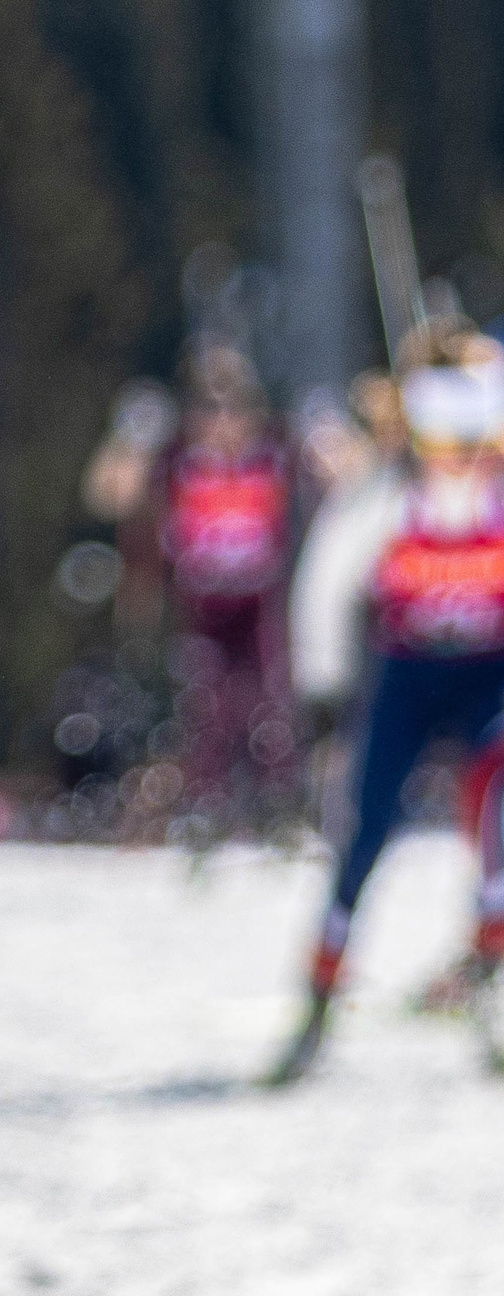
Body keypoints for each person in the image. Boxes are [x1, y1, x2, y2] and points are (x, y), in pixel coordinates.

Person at [275, 322, 504, 1078]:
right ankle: (321, 993)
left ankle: (487, 965)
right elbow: (326, 584)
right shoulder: (385, 489)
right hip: (407, 672)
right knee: (367, 828)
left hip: (488, 673)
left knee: (498, 792)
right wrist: (324, 690)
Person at [82, 344, 301, 829]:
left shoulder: (275, 450)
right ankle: (208, 805)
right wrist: (128, 440)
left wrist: (333, 432)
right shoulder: (178, 456)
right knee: (206, 705)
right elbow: (105, 496)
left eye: (235, 406)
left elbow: (348, 472)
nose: (222, 420)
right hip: (200, 600)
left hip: (259, 598)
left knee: (269, 704)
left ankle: (276, 805)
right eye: (208, 407)